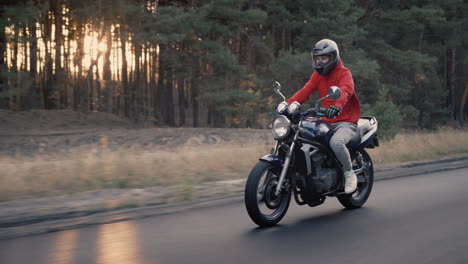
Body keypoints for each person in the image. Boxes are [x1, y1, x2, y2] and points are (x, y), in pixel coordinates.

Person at [276, 39, 361, 194]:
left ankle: (349, 174)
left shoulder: (344, 73)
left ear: (333, 57)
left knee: (336, 142)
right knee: (301, 134)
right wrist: (287, 104)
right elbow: (305, 91)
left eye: (324, 58)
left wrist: (337, 106)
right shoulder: (317, 76)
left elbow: (345, 91)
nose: (320, 61)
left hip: (345, 122)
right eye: (317, 58)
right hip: (326, 120)